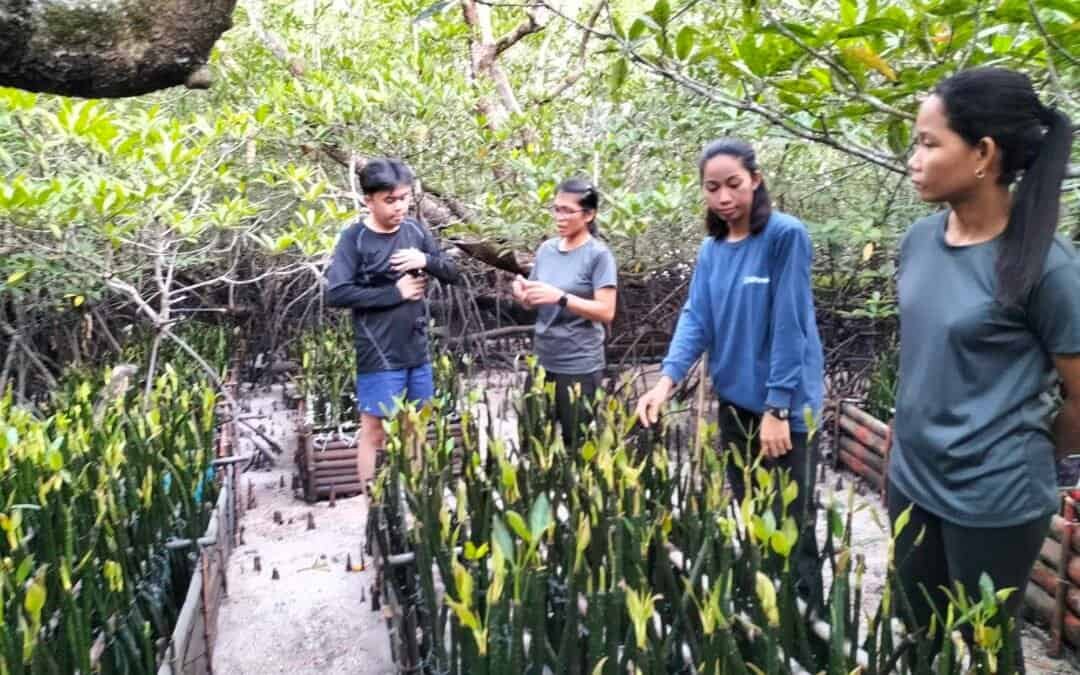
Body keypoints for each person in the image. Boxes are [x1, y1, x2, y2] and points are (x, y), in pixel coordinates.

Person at [888, 67, 1080, 667]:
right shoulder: (919, 241)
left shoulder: (1048, 267)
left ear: (984, 154)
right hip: (911, 478)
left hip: (995, 496)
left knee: (986, 648)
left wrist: (1020, 451)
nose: (913, 160)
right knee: (916, 634)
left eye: (928, 142)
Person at [636, 138, 825, 608]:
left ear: (756, 181)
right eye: (712, 188)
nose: (724, 198)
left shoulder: (785, 235)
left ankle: (809, 632)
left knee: (791, 524)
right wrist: (665, 382)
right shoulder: (712, 248)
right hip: (737, 406)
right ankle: (768, 615)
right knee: (752, 515)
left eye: (734, 185)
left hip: (784, 410)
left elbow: (791, 323)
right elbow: (695, 317)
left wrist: (778, 406)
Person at [325, 158, 461, 483]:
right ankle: (373, 511)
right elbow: (337, 293)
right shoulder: (354, 239)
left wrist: (425, 260)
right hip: (378, 352)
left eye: (403, 198)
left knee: (416, 426)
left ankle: (414, 503)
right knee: (374, 431)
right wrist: (394, 293)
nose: (399, 207)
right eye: (390, 200)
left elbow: (453, 272)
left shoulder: (415, 231)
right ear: (368, 200)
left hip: (416, 349)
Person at [512, 178, 617, 449]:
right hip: (543, 360)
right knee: (533, 443)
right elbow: (534, 301)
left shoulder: (598, 255)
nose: (559, 217)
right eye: (556, 209)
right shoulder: (547, 250)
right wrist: (523, 294)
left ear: (589, 214)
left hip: (580, 365)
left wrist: (561, 298)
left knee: (578, 446)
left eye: (567, 211)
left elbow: (606, 311)